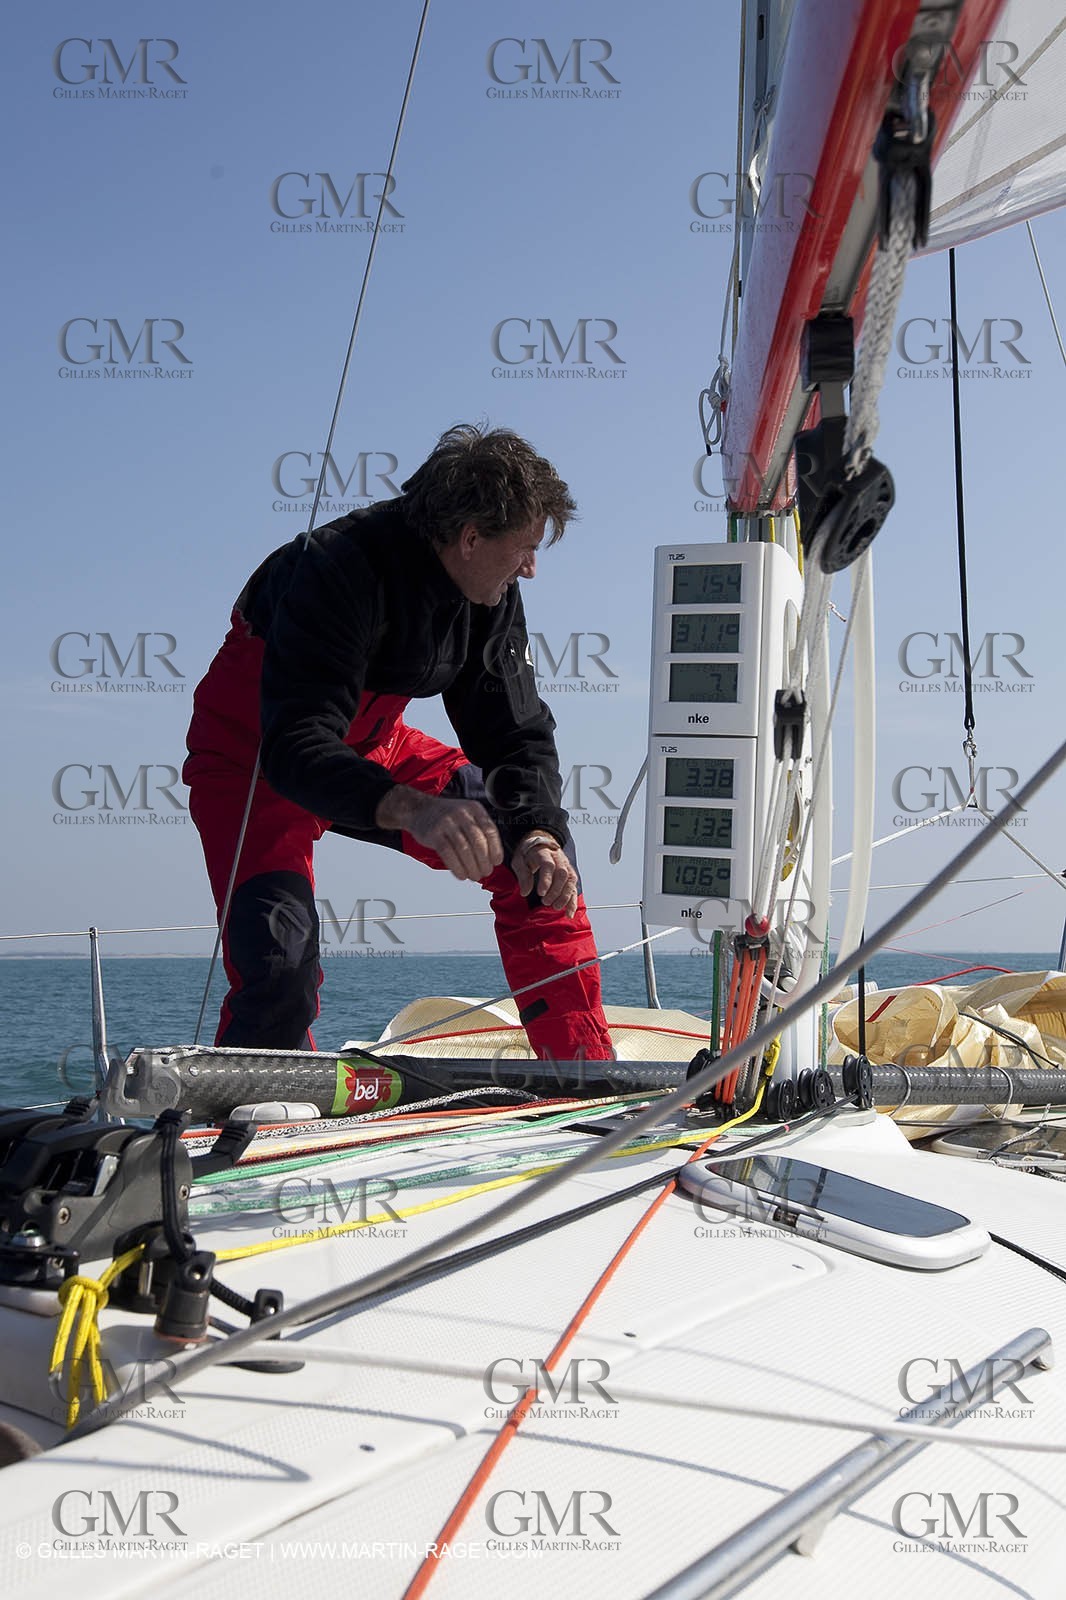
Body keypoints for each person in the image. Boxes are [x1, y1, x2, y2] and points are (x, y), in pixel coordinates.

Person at [182, 422, 614, 1062]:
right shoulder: (332, 571)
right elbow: (297, 743)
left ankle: (581, 1070)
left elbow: (513, 729)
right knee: (282, 966)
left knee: (539, 861)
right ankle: (248, 1118)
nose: (531, 566)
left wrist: (538, 832)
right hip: (257, 761)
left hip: (373, 746)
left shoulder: (490, 590)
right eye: (524, 548)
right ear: (470, 538)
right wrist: (416, 808)